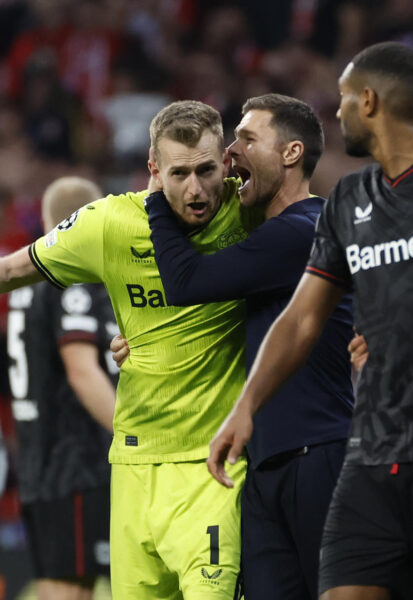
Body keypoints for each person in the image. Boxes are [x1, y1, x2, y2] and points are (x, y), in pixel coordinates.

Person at [207, 41, 413, 600]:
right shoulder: (347, 200)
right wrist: (246, 408)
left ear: (368, 100)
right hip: (372, 453)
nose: (334, 113)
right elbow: (299, 320)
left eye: (341, 101)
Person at [0, 100, 260, 599]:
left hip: (212, 470)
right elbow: (12, 270)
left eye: (207, 170)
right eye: (179, 173)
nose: (196, 189)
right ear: (153, 170)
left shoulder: (252, 214)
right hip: (132, 470)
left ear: (226, 163)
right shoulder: (110, 224)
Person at [132, 93, 355, 600]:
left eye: (247, 139)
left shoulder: (302, 231)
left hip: (319, 454)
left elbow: (185, 282)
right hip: (265, 463)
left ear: (292, 154)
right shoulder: (270, 239)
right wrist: (137, 340)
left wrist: (154, 198)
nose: (231, 152)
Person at [7, 176, 116, 600]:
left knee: (58, 587)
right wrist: (134, 435)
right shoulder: (68, 278)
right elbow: (81, 370)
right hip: (76, 463)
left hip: (39, 464)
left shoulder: (24, 284)